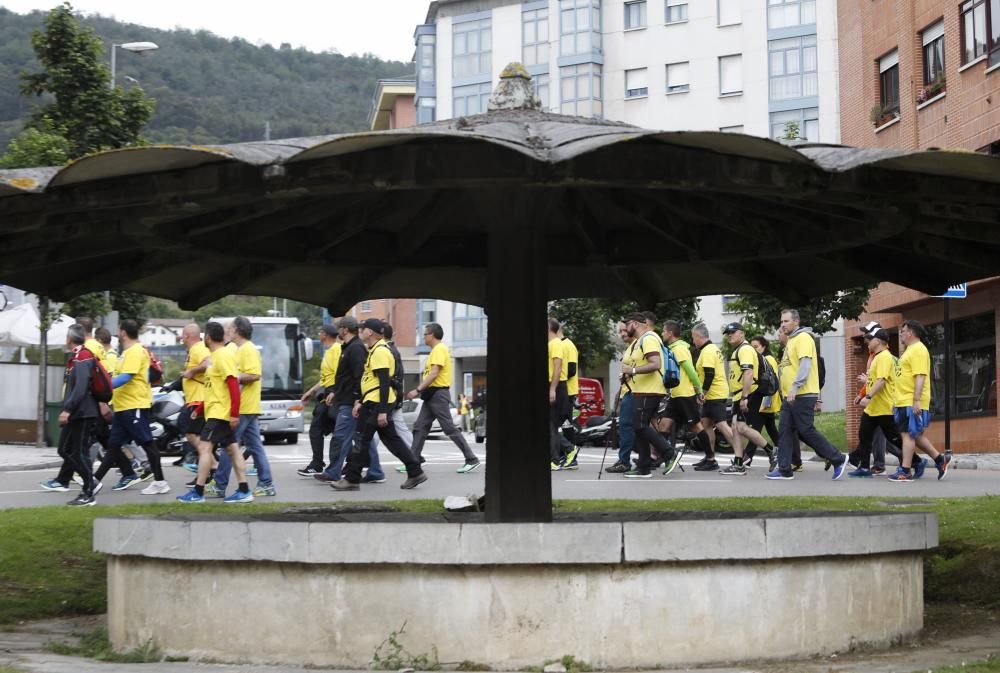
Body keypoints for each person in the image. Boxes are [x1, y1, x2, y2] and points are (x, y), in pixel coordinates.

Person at [332, 319, 427, 491]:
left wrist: (382, 411)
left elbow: (384, 383)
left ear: (370, 332)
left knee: (361, 439)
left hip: (376, 404)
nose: (360, 331)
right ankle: (415, 471)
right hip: (373, 401)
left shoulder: (380, 352)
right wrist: (361, 400)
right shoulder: (375, 350)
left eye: (363, 329)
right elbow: (372, 381)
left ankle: (352, 478)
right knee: (392, 440)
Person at [767, 309, 847, 480]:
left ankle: (838, 458)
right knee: (785, 431)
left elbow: (805, 366)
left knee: (806, 430)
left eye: (786, 321)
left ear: (796, 321)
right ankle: (784, 469)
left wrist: (795, 388)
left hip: (802, 394)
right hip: (791, 396)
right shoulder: (792, 340)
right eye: (781, 321)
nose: (783, 324)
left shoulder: (803, 338)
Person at [91, 319, 169, 495]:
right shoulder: (126, 352)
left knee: (148, 444)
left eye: (119, 330)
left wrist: (104, 386)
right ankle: (94, 482)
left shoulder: (135, 351)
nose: (117, 334)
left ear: (124, 332)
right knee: (113, 446)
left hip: (134, 406)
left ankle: (160, 482)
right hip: (123, 407)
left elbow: (126, 377)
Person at [177, 321, 252, 503]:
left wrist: (234, 414)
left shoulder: (222, 356)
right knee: (233, 450)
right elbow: (213, 388)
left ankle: (198, 492)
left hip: (220, 413)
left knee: (204, 448)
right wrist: (201, 409)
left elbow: (233, 385)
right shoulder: (214, 357)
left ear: (208, 337)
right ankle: (244, 491)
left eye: (204, 336)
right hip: (214, 411)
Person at [209, 316, 276, 497]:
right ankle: (266, 483)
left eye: (230, 328)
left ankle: (220, 484)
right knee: (253, 447)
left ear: (237, 330)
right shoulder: (238, 349)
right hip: (246, 406)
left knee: (229, 446)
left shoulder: (248, 349)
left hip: (245, 407)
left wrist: (233, 377)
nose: (228, 331)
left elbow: (254, 375)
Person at [39, 324, 102, 505]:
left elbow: (80, 387)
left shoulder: (82, 357)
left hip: (83, 412)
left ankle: (88, 492)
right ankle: (90, 482)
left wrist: (67, 409)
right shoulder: (77, 356)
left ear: (69, 338)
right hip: (78, 411)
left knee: (79, 452)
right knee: (65, 450)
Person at [406, 322, 481, 474]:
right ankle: (413, 461)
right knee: (420, 427)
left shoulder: (439, 349)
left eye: (425, 334)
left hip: (437, 394)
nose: (423, 337)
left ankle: (471, 459)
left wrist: (417, 389)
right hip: (432, 394)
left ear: (432, 335)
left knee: (448, 428)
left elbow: (434, 373)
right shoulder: (435, 350)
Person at [314, 316, 379, 483]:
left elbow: (359, 376)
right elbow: (345, 376)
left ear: (344, 329)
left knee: (341, 436)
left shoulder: (355, 348)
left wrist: (358, 399)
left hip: (350, 401)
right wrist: (335, 392)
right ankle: (376, 471)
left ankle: (333, 472)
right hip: (346, 398)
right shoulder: (349, 347)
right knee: (363, 438)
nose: (337, 331)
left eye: (339, 328)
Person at [888, 320, 951, 482]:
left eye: (903, 331)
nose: (901, 333)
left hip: (911, 402)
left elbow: (920, 376)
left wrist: (916, 400)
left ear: (911, 332)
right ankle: (940, 460)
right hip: (904, 401)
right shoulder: (910, 350)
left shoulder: (919, 350)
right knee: (915, 436)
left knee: (908, 435)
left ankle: (905, 471)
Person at [620, 312, 677, 478]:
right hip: (641, 389)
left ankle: (669, 453)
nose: (625, 327)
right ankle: (644, 467)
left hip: (650, 390)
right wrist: (629, 374)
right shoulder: (640, 341)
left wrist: (633, 370)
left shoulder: (649, 338)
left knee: (639, 426)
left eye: (627, 323)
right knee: (639, 428)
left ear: (636, 324)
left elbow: (656, 363)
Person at [848, 328, 905, 477]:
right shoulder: (875, 357)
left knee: (892, 438)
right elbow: (872, 380)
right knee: (865, 435)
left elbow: (882, 380)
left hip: (883, 405)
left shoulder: (885, 357)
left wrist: (868, 396)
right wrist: (862, 394)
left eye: (870, 338)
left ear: (878, 341)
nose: (866, 341)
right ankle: (864, 467)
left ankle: (915, 461)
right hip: (874, 406)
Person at [657, 320, 711, 474]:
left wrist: (699, 389)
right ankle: (660, 456)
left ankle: (711, 458)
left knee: (696, 426)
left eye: (663, 331)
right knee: (664, 426)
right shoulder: (672, 348)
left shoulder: (679, 349)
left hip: (684, 394)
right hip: (675, 394)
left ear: (670, 333)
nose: (661, 334)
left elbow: (691, 370)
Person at [722, 323, 775, 475]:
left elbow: (749, 374)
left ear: (742, 333)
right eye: (727, 333)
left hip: (749, 393)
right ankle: (738, 463)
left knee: (741, 427)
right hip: (740, 395)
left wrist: (745, 397)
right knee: (735, 427)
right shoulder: (738, 350)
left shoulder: (745, 349)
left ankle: (772, 452)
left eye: (732, 332)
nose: (729, 335)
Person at [298, 325, 341, 477]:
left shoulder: (336, 350)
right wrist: (311, 391)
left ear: (325, 334)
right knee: (317, 428)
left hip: (334, 395)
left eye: (320, 332)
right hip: (327, 394)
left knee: (338, 431)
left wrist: (335, 392)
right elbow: (325, 378)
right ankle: (318, 464)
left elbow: (340, 375)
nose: (319, 334)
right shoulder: (329, 351)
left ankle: (338, 465)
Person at [691, 323, 734, 471]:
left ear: (698, 336)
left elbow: (709, 374)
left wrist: (703, 393)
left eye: (693, 337)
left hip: (714, 394)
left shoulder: (708, 351)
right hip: (714, 393)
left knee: (721, 425)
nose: (693, 341)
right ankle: (710, 458)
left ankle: (742, 455)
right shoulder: (712, 348)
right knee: (706, 424)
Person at [177, 323, 211, 471]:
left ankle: (210, 462)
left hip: (198, 399)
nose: (181, 338)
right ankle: (205, 466)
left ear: (187, 336)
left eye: (182, 335)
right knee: (195, 434)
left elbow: (209, 362)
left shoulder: (198, 348)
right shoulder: (193, 350)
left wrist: (192, 371)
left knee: (188, 430)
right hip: (194, 399)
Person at [605, 321, 636, 473]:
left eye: (624, 330)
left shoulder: (637, 345)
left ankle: (625, 461)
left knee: (626, 426)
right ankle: (630, 459)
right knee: (636, 428)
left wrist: (628, 373)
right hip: (628, 391)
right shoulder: (631, 347)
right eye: (620, 331)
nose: (622, 334)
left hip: (634, 391)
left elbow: (634, 370)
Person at [750, 336, 781, 470]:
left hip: (766, 401)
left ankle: (746, 457)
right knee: (772, 430)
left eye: (756, 347)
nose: (754, 350)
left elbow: (769, 382)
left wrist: (765, 402)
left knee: (754, 430)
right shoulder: (764, 358)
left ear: (764, 346)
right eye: (752, 348)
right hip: (767, 401)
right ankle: (789, 456)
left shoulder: (768, 359)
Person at [545, 318, 571, 470]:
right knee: (550, 425)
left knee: (552, 425)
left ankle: (554, 461)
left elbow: (558, 368)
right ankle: (566, 450)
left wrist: (552, 388)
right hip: (554, 386)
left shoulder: (555, 344)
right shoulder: (552, 343)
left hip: (556, 386)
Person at [559, 325, 581, 469]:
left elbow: (571, 370)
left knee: (566, 425)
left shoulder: (568, 345)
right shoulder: (559, 345)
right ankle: (565, 455)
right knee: (563, 425)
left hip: (567, 391)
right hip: (563, 390)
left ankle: (570, 455)